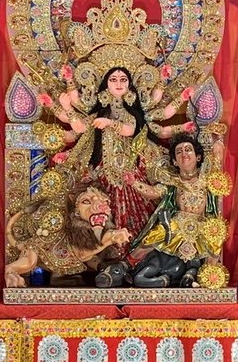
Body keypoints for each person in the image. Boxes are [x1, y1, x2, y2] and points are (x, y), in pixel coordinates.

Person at [46, 65, 191, 240]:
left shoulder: (130, 114)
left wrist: (109, 123)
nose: (118, 83)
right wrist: (67, 107)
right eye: (113, 80)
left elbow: (129, 129)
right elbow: (79, 127)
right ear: (106, 85)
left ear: (129, 85)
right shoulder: (99, 113)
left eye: (123, 80)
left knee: (139, 214)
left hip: (131, 171)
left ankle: (135, 246)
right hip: (103, 172)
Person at [128, 136, 227, 288]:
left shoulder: (207, 179)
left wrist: (217, 139)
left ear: (198, 157)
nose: (184, 154)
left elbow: (218, 157)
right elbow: (154, 192)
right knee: (156, 235)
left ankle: (206, 278)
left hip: (203, 225)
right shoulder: (173, 182)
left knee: (216, 239)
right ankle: (127, 264)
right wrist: (134, 183)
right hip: (177, 224)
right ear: (174, 161)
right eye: (179, 152)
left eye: (188, 150)